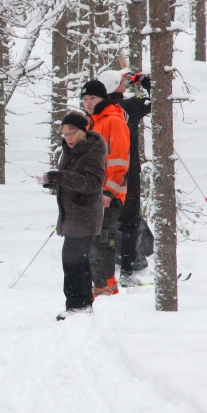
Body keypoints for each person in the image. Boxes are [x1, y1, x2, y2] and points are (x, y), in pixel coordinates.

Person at [42, 112, 106, 320]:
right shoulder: (69, 150)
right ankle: (82, 304)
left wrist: (62, 177)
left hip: (85, 214)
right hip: (72, 214)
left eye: (72, 133)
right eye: (64, 134)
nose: (67, 138)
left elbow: (92, 183)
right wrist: (54, 181)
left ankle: (78, 305)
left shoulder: (92, 149)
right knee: (77, 260)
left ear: (83, 130)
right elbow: (72, 180)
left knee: (73, 260)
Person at [81, 79, 130, 298]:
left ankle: (103, 289)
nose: (88, 103)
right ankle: (105, 287)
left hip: (109, 193)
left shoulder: (113, 121)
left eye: (92, 98)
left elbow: (119, 160)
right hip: (94, 192)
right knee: (97, 241)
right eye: (84, 99)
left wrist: (109, 191)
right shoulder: (91, 123)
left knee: (101, 241)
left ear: (103, 98)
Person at [109, 73, 153, 287]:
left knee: (106, 220)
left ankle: (104, 270)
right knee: (129, 221)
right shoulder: (128, 106)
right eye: (121, 82)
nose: (124, 84)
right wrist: (145, 82)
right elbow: (158, 101)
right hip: (127, 172)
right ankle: (127, 269)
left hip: (102, 173)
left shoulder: (95, 110)